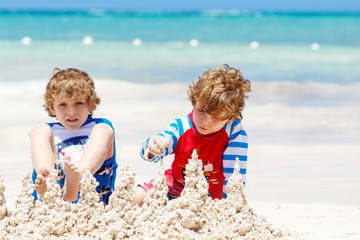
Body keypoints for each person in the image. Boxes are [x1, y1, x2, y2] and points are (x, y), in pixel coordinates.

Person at [136, 64, 251, 206]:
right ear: (194, 101)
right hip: (176, 184)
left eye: (215, 117)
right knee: (137, 197)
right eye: (201, 110)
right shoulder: (182, 126)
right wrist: (152, 146)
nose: (205, 121)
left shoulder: (233, 132)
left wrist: (225, 205)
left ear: (230, 117)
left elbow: (234, 179)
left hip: (211, 194)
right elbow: (154, 151)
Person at [30, 68, 117, 204]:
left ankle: (77, 180)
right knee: (38, 129)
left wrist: (76, 179)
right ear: (52, 108)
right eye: (63, 104)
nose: (71, 112)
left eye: (79, 103)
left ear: (91, 104)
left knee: (104, 129)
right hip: (55, 198)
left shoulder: (98, 125)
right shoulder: (49, 131)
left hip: (92, 198)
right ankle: (47, 182)